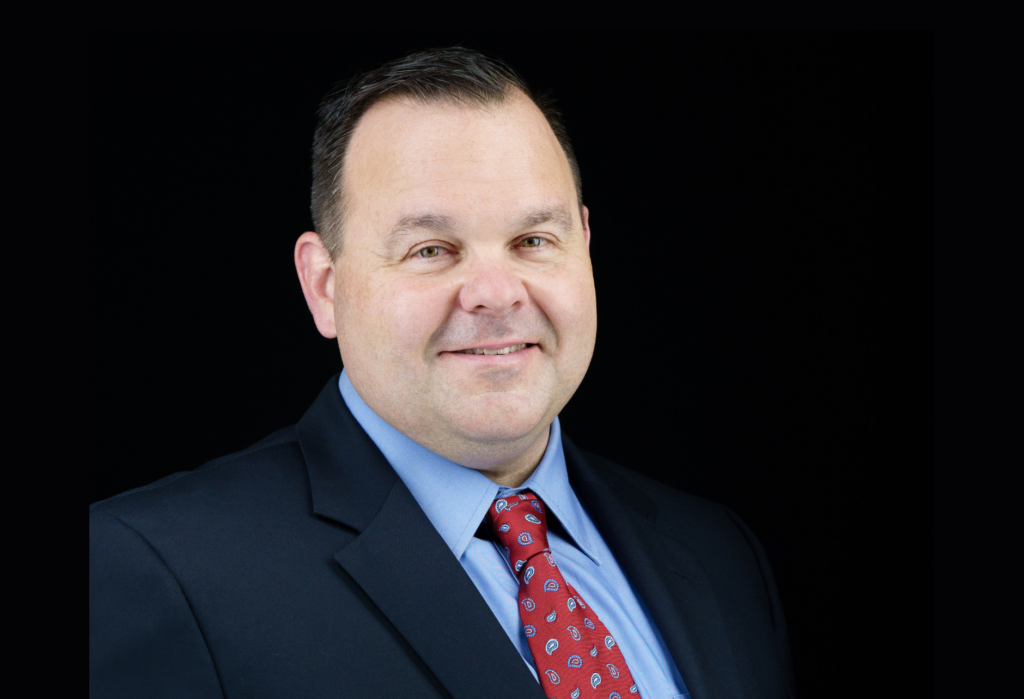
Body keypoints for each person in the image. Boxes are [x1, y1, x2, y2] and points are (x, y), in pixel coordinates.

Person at [90, 47, 795, 699]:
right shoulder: (150, 569)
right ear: (324, 286)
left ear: (584, 245)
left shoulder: (717, 553)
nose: (497, 292)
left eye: (532, 240)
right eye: (432, 249)